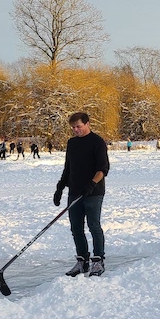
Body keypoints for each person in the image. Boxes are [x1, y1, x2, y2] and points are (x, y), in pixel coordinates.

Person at [55, 112, 110, 277]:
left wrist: (92, 184)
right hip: (75, 192)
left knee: (94, 225)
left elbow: (103, 169)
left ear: (87, 123)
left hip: (94, 192)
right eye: (73, 128)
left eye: (78, 126)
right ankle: (82, 261)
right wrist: (60, 187)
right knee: (76, 228)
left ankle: (98, 260)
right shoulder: (72, 143)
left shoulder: (97, 142)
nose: (76, 130)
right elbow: (68, 168)